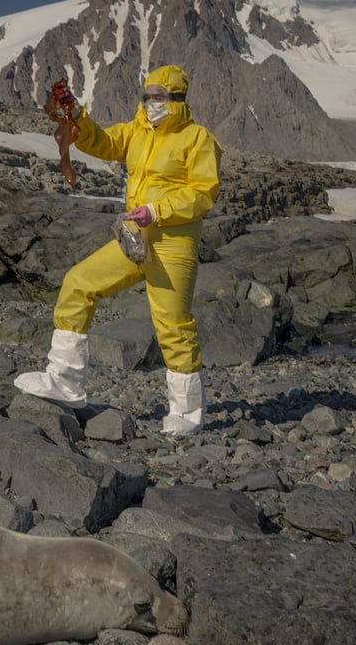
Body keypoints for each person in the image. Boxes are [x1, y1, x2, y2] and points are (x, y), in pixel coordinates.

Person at [14, 65, 222, 435]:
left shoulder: (198, 139)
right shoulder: (136, 131)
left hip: (173, 245)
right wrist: (75, 113)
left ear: (176, 99)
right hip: (132, 238)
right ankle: (65, 382)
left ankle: (187, 416)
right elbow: (102, 143)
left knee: (173, 326)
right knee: (78, 283)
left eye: (158, 96)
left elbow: (203, 194)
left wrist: (158, 210)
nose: (150, 102)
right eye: (147, 95)